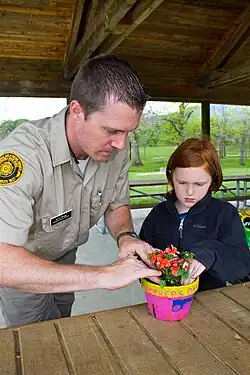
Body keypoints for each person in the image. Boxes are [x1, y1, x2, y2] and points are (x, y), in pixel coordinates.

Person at [0, 55, 161, 327]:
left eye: (128, 132)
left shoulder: (117, 148)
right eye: (111, 130)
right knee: (41, 347)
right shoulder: (22, 156)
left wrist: (126, 237)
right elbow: (4, 262)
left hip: (67, 255)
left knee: (64, 327)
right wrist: (102, 275)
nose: (121, 144)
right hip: (25, 270)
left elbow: (116, 203)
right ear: (77, 110)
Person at [139, 138, 250, 291]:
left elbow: (243, 269)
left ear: (212, 180)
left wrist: (211, 254)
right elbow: (140, 258)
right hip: (163, 300)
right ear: (171, 177)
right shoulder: (158, 214)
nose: (190, 192)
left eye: (199, 184)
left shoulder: (224, 214)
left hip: (212, 303)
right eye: (182, 182)